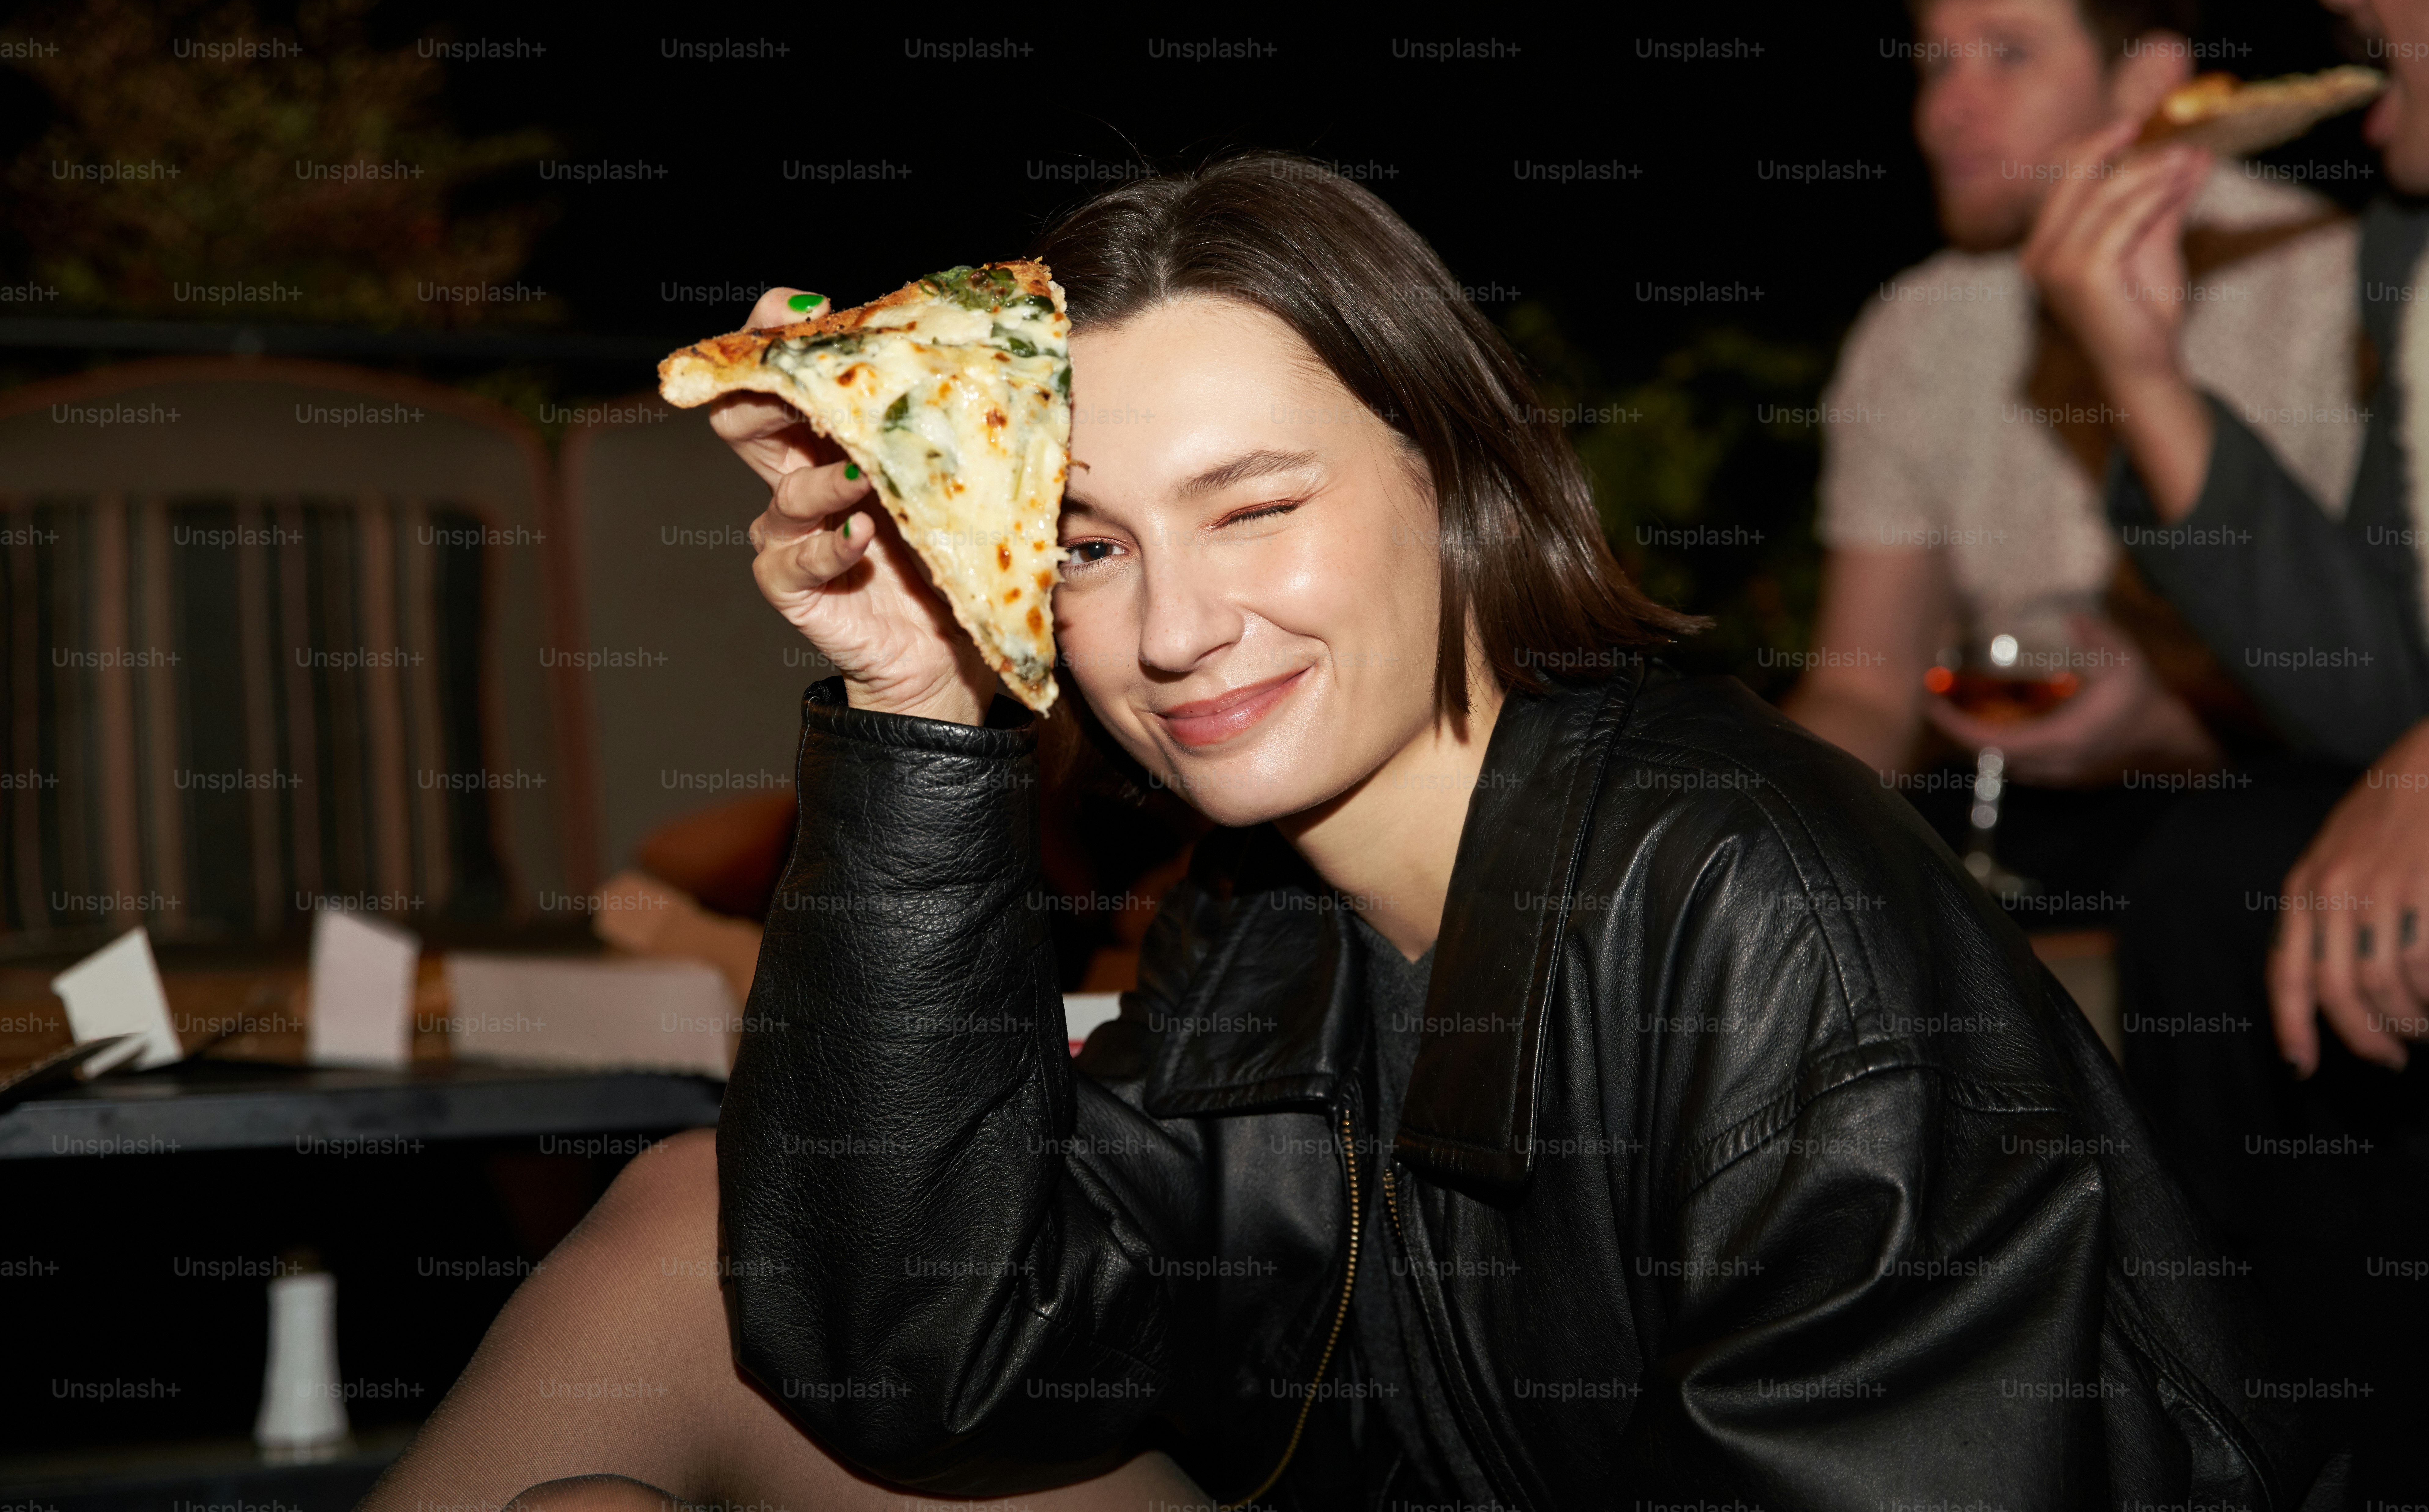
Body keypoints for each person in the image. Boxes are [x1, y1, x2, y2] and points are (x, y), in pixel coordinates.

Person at [363, 156, 2337, 1512]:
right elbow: (916, 1349)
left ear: (1453, 471)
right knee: (680, 1234)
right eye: (1086, 545)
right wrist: (920, 706)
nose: (1172, 628)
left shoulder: (1752, 915)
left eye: (1255, 505)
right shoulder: (1267, 902)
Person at [2015, 0, 2429, 1491]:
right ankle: (2248, 1437)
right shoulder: (2411, 246)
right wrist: (2138, 368)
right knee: (2221, 874)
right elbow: (2367, 689)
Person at [1783, 0, 2365, 919]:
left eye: (2007, 55)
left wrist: (2169, 734)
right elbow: (1865, 686)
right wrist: (1751, 828)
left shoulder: (2327, 288)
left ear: (2146, 82)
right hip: (2005, 809)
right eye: (1934, 63)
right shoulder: (1915, 327)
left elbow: (2374, 679)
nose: (1943, 111)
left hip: (2273, 821)